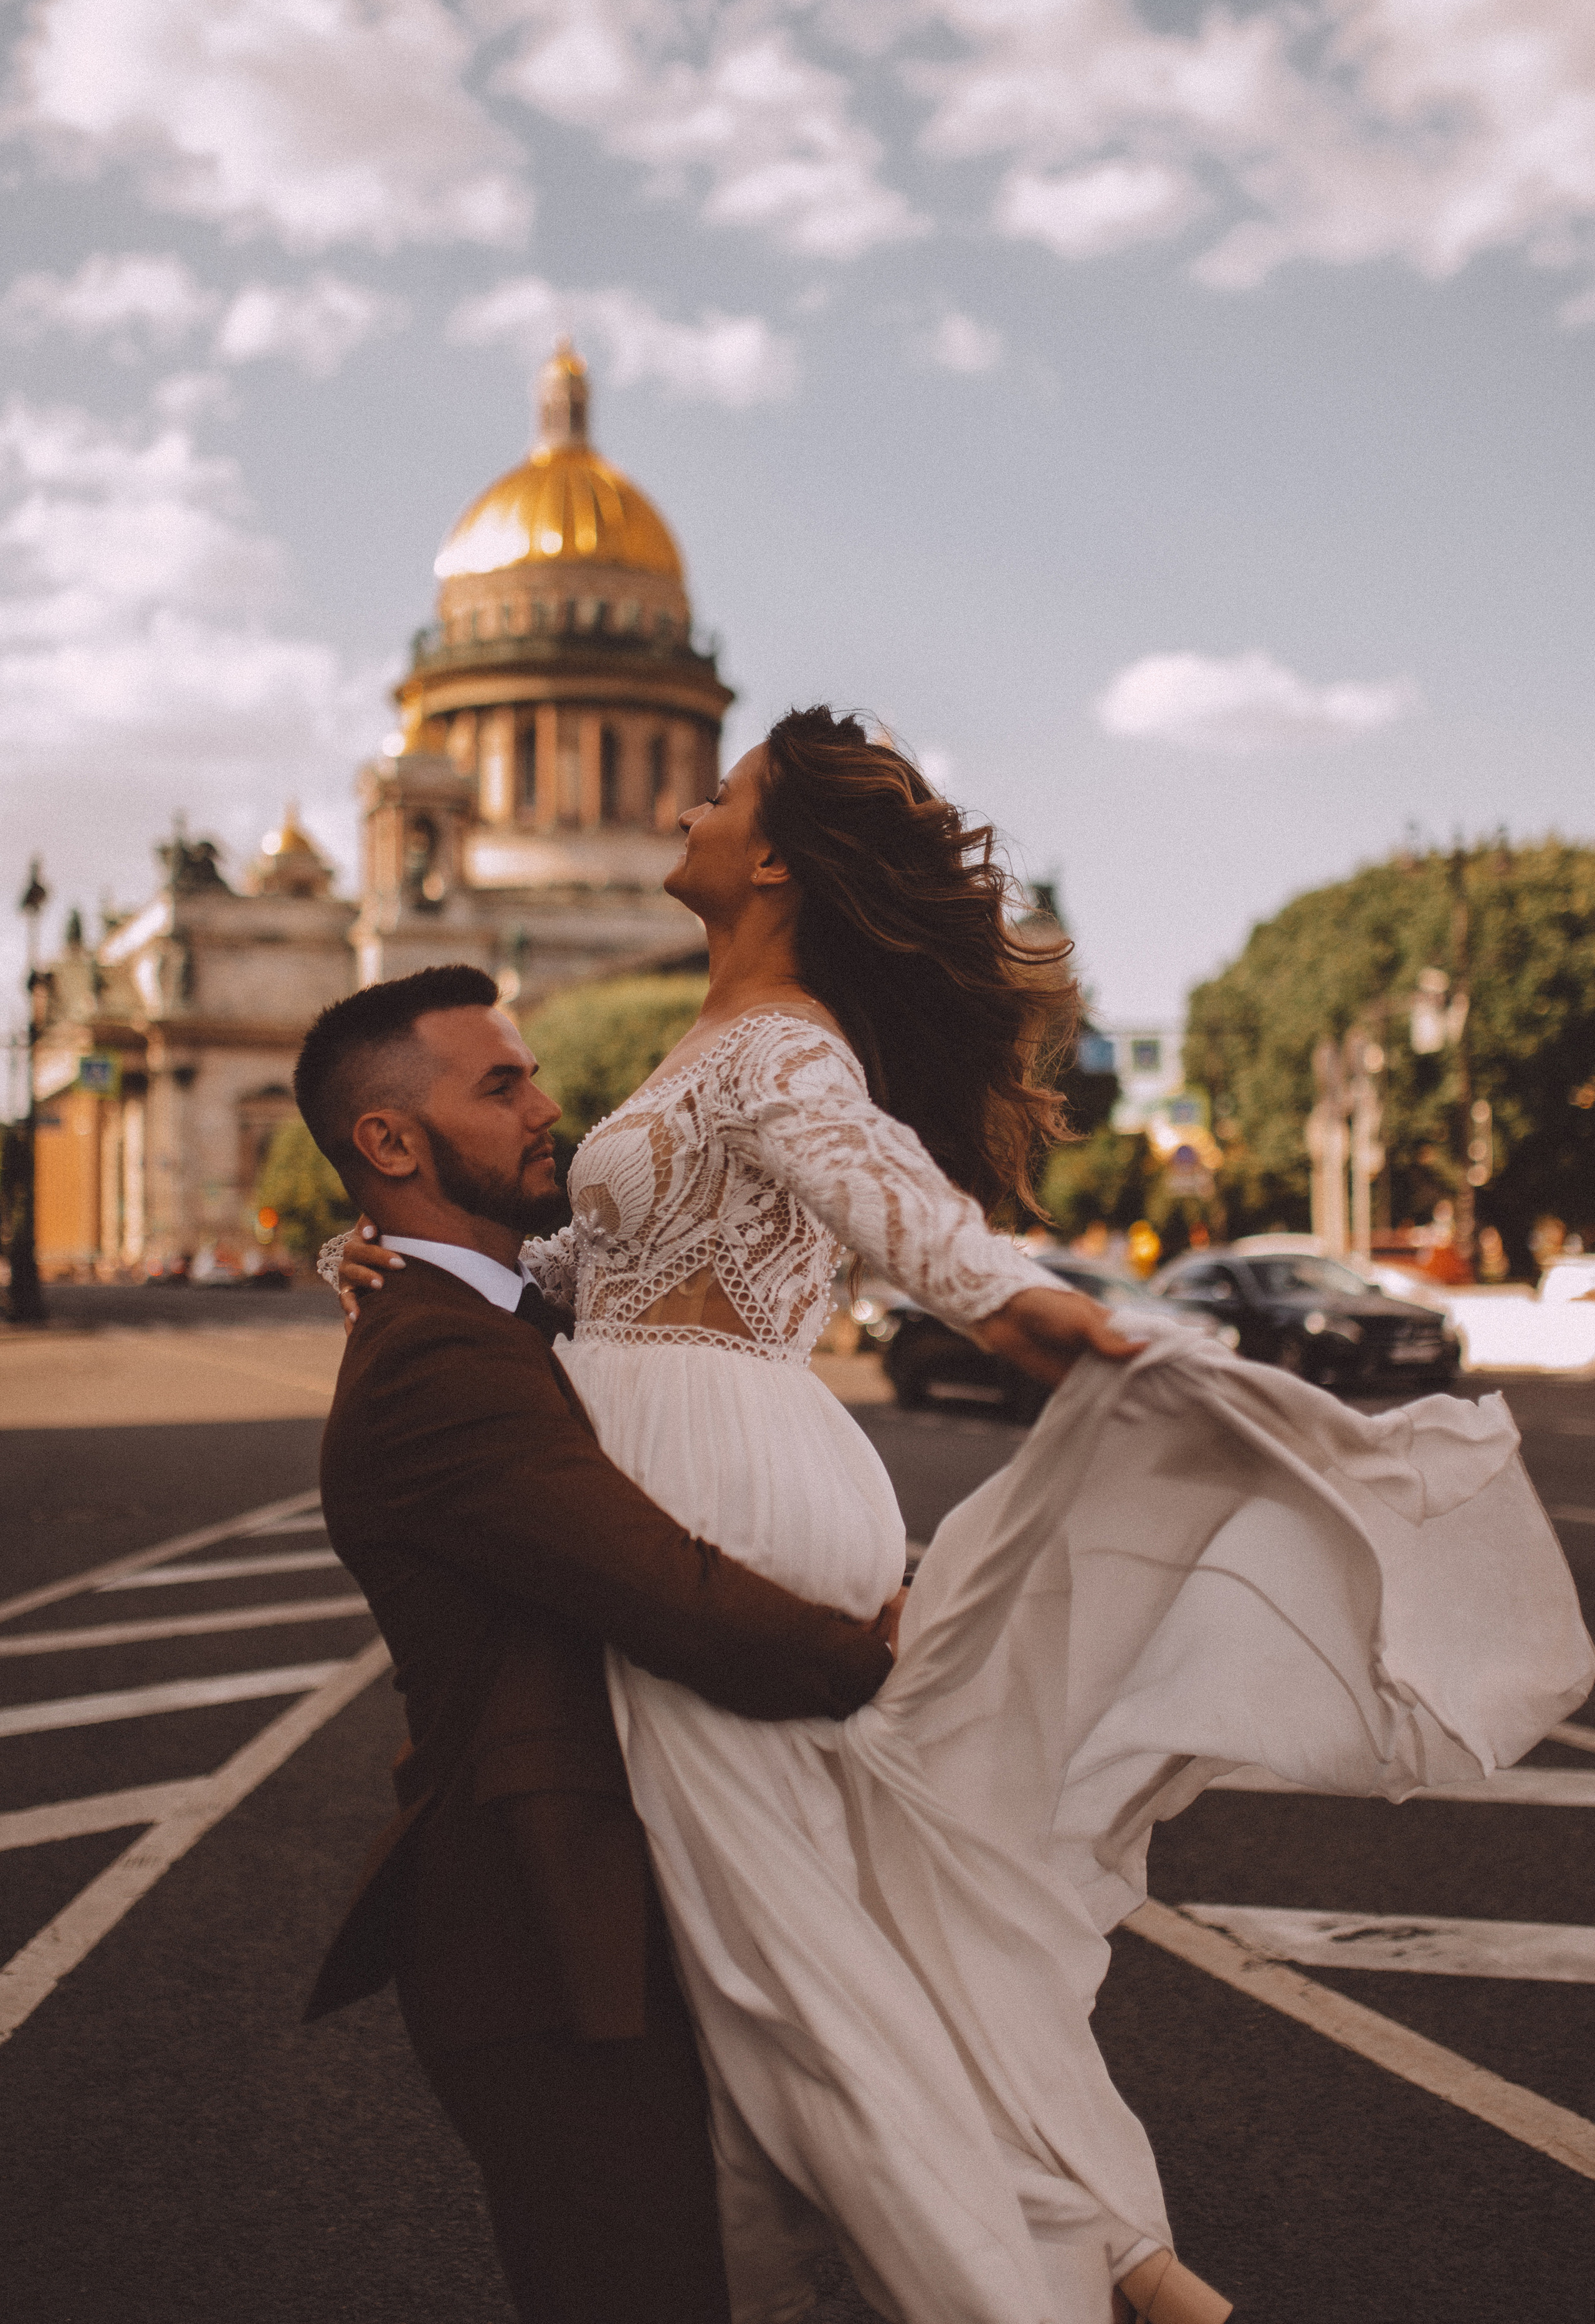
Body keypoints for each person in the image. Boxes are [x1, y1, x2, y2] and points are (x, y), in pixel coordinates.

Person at [333, 711, 1593, 2324]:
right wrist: (386, 1256)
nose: (689, 803)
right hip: (728, 1448)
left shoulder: (782, 1044)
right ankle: (1114, 2251)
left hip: (719, 1475)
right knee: (862, 1924)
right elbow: (584, 1282)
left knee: (791, 1979)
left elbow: (903, 1212)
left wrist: (1061, 1322)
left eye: (719, 791)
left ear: (772, 857)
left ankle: (1010, 2288)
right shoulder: (723, 1037)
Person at [295, 965, 910, 2324]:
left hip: (626, 1896)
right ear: (389, 1143)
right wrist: (888, 1652)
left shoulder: (507, 1314)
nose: (548, 1107)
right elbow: (662, 1591)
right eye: (501, 1082)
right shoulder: (430, 1360)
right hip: (542, 1937)